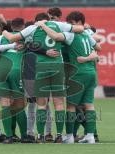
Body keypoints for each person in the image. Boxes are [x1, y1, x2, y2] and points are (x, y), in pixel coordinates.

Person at [2, 12, 84, 143]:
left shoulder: (33, 28)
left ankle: (40, 136)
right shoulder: (58, 24)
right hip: (57, 66)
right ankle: (58, 135)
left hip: (40, 67)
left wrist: (4, 32)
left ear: (37, 21)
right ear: (47, 19)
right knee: (58, 103)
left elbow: (12, 38)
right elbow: (80, 29)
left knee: (41, 104)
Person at [35, 11, 101, 144]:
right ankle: (90, 136)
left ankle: (70, 136)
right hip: (91, 73)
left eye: (71, 23)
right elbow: (98, 47)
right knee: (88, 105)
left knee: (71, 106)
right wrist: (89, 57)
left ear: (77, 23)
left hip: (77, 74)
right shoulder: (87, 34)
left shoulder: (71, 35)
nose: (69, 25)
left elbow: (54, 36)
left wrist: (43, 25)